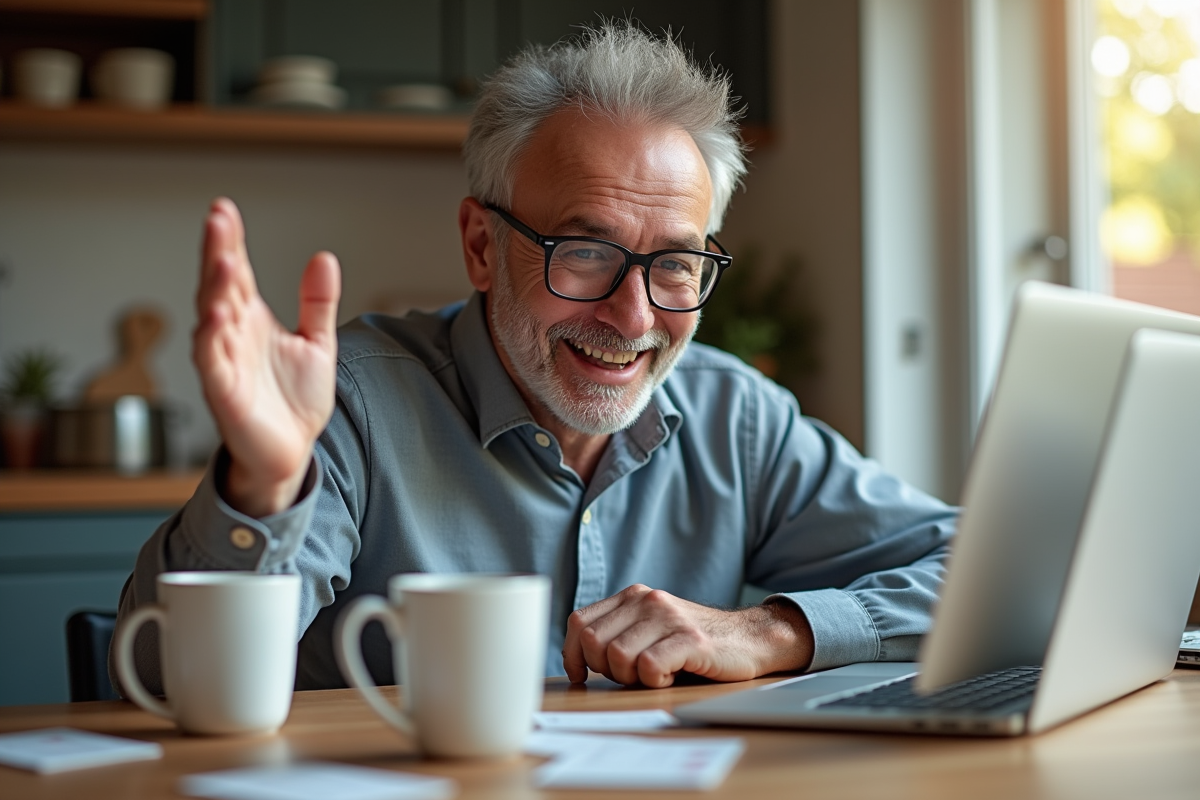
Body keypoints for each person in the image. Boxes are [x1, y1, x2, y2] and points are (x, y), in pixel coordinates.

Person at [113, 22, 956, 693]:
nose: (634, 316)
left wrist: (771, 631)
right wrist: (262, 489)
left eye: (675, 262)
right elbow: (164, 683)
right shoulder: (349, 406)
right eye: (585, 252)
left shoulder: (737, 419)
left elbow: (981, 573)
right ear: (482, 246)